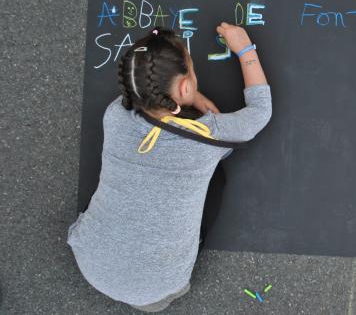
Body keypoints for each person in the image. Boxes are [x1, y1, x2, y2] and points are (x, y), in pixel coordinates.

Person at [66, 23, 272, 312]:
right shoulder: (206, 136)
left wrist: (188, 99)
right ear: (185, 86)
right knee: (219, 178)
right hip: (157, 290)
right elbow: (260, 112)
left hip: (89, 260)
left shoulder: (115, 115)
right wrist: (245, 49)